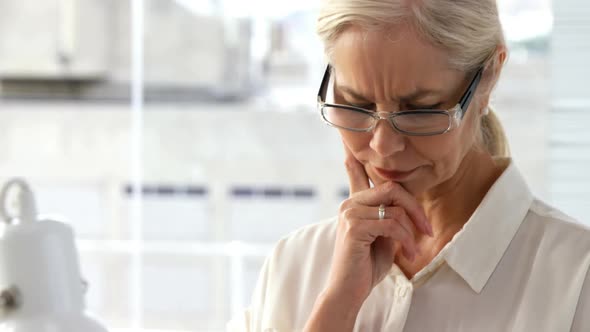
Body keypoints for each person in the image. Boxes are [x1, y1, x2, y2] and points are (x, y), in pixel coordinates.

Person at [227, 0, 590, 331]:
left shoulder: (577, 280)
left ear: (489, 75)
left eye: (420, 109)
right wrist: (337, 306)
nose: (382, 146)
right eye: (357, 104)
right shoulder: (296, 264)